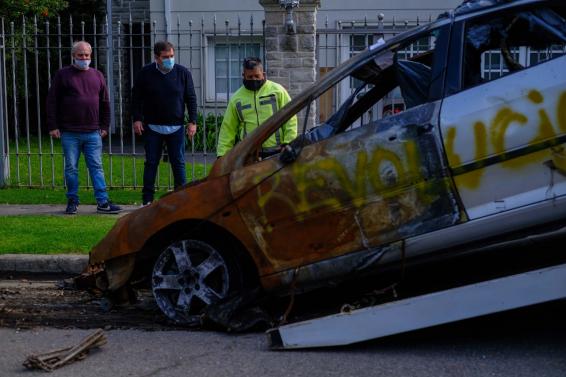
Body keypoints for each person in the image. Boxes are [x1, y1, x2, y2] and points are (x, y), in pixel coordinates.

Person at [47, 41, 122, 215]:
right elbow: (52, 102)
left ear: (91, 56)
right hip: (69, 132)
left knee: (96, 167)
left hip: (93, 132)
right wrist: (53, 126)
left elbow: (105, 102)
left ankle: (103, 202)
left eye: (87, 55)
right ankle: (72, 201)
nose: (84, 58)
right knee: (71, 168)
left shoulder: (97, 75)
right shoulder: (63, 75)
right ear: (73, 56)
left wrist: (105, 125)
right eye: (80, 55)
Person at [132, 41, 198, 206]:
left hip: (176, 126)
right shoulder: (145, 73)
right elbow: (136, 98)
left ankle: (181, 199)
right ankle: (147, 199)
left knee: (178, 162)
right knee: (151, 163)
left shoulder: (183, 73)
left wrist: (192, 121)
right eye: (165, 57)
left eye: (171, 56)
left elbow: (190, 98)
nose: (169, 59)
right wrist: (137, 119)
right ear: (157, 58)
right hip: (152, 127)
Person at [217, 57, 297, 159]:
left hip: (277, 152)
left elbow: (290, 118)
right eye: (250, 77)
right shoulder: (236, 99)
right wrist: (222, 155)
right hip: (249, 155)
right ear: (243, 76)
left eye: (257, 76)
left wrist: (288, 143)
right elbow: (228, 128)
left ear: (263, 74)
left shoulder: (278, 91)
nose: (253, 79)